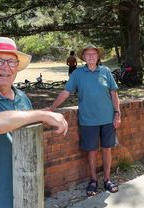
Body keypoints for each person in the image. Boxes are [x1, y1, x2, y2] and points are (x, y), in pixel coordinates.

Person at [0, 37, 68, 208]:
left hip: (27, 192)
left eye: (11, 61)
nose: (6, 67)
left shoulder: (22, 97)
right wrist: (42, 114)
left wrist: (41, 120)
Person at [49, 43, 120, 196]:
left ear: (98, 56)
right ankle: (93, 180)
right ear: (83, 57)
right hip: (88, 120)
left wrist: (117, 113)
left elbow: (114, 93)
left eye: (93, 54)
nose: (91, 57)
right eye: (87, 55)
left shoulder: (106, 71)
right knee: (92, 152)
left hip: (107, 119)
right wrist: (51, 108)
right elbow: (66, 92)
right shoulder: (77, 74)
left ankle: (107, 179)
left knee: (107, 150)